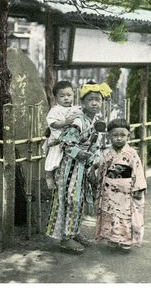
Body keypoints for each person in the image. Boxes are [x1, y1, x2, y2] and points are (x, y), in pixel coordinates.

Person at [45, 81, 112, 253]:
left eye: (98, 99)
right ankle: (65, 239)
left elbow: (95, 144)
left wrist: (93, 161)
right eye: (90, 99)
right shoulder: (78, 120)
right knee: (70, 200)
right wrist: (82, 154)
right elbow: (67, 144)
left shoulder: (95, 120)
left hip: (82, 167)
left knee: (79, 200)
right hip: (70, 167)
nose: (95, 103)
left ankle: (74, 232)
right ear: (83, 102)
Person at [94, 118, 147, 252]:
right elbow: (102, 170)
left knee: (125, 216)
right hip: (109, 190)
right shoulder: (107, 152)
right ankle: (113, 238)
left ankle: (125, 241)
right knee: (111, 214)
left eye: (122, 135)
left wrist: (138, 188)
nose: (119, 138)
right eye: (115, 135)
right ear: (109, 136)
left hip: (126, 191)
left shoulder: (132, 154)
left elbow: (138, 170)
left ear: (128, 135)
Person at [43, 81, 82, 190]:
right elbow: (53, 124)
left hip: (72, 140)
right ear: (55, 97)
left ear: (73, 94)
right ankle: (49, 175)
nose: (66, 98)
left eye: (69, 95)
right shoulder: (55, 110)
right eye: (62, 96)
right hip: (57, 139)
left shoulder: (76, 109)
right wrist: (64, 122)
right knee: (54, 158)